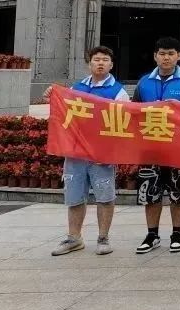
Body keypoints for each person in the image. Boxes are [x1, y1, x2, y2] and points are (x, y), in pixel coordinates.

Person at [52, 46, 129, 256]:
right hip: (75, 153)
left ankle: (103, 238)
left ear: (111, 65)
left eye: (105, 60)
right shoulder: (76, 88)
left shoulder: (118, 92)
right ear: (89, 64)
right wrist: (52, 95)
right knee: (74, 196)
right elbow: (63, 115)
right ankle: (74, 238)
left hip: (101, 155)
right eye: (96, 59)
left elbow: (124, 125)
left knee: (105, 197)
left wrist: (111, 153)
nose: (100, 63)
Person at [133, 37, 180, 254]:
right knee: (150, 193)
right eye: (162, 53)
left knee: (177, 193)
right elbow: (133, 111)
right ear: (155, 56)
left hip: (178, 148)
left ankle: (177, 234)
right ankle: (152, 234)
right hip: (150, 147)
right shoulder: (144, 82)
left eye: (171, 53)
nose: (166, 58)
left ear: (178, 56)